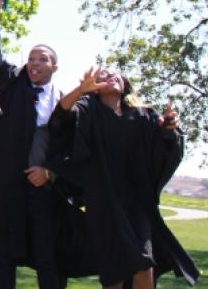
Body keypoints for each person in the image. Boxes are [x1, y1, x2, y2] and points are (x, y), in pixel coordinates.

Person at [54, 67, 200, 289]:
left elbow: (165, 144)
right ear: (95, 86)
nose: (111, 76)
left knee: (144, 263)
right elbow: (59, 118)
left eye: (115, 74)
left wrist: (169, 129)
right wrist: (81, 90)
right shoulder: (87, 109)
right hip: (103, 203)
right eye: (103, 75)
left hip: (136, 203)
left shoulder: (143, 115)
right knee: (115, 271)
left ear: (124, 83)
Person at [0, 0, 65, 289]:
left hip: (41, 189)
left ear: (54, 67)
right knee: (6, 257)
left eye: (42, 59)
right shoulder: (14, 88)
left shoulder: (64, 101)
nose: (34, 62)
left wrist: (50, 174)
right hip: (9, 187)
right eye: (31, 58)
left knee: (46, 257)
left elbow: (67, 148)